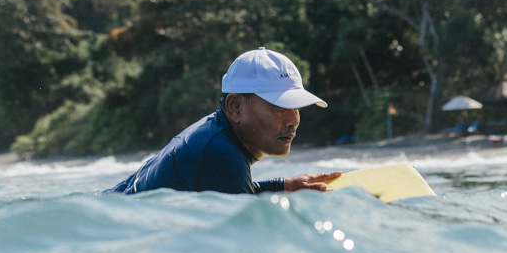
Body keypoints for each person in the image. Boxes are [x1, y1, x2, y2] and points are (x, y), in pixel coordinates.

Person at [105, 47, 341, 196]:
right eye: (279, 107)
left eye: (296, 106)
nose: (293, 120)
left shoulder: (214, 135)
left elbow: (222, 189)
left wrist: (283, 185)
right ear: (235, 107)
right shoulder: (219, 153)